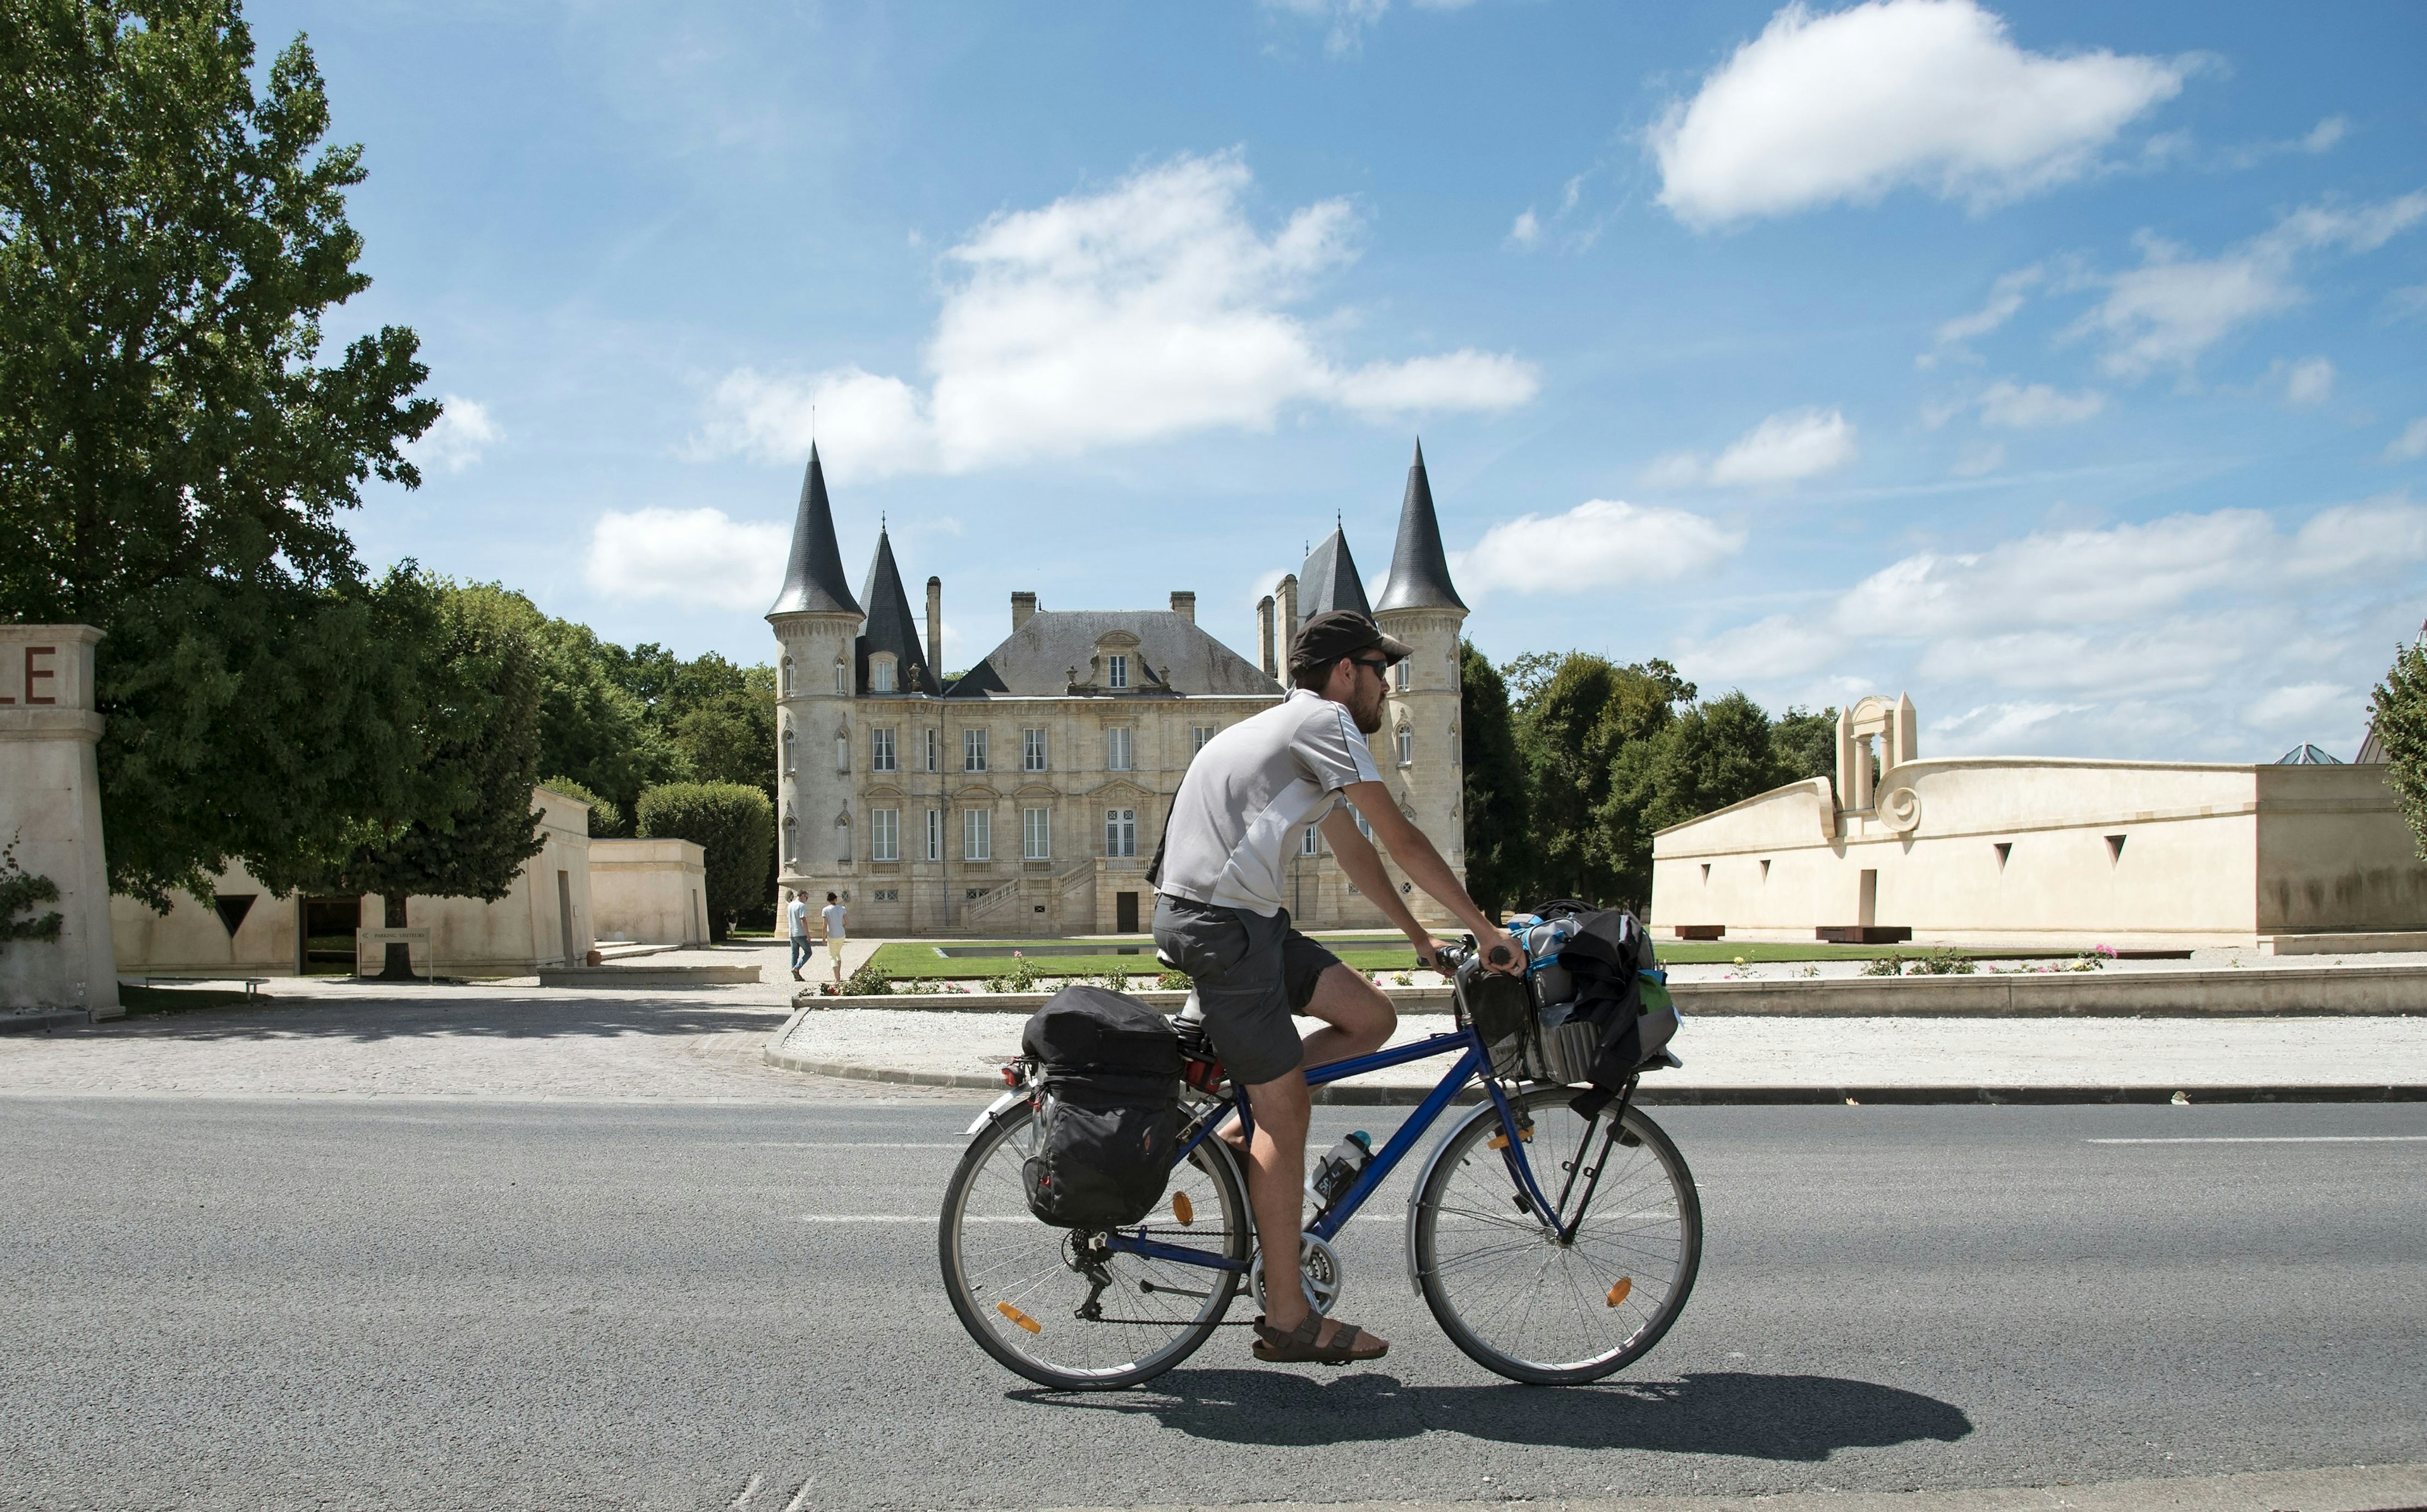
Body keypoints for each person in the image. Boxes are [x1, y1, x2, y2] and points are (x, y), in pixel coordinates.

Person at [1151, 608, 1520, 1366]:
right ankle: (1289, 1318)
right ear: (1345, 672)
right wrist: (1486, 930)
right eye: (1381, 670)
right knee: (1285, 1106)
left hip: (1243, 917)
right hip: (1221, 924)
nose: (1388, 687)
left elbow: (1359, 854)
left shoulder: (1297, 734)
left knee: (1369, 1016)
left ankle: (1237, 1138)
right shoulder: (1324, 722)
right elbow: (1405, 836)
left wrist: (1421, 937)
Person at [820, 891, 848, 989]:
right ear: (836, 899)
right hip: (841, 934)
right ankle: (838, 975)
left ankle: (837, 978)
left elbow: (824, 926)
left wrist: (823, 938)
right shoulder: (842, 909)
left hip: (832, 935)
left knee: (832, 956)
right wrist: (841, 926)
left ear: (828, 900)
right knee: (837, 954)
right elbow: (846, 922)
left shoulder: (825, 910)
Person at [785, 890, 811, 982]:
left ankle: (796, 976)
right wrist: (808, 934)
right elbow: (803, 920)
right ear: (802, 896)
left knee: (794, 954)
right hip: (800, 933)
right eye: (806, 897)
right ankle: (796, 968)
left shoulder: (790, 905)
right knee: (808, 952)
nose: (806, 900)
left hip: (792, 933)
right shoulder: (801, 906)